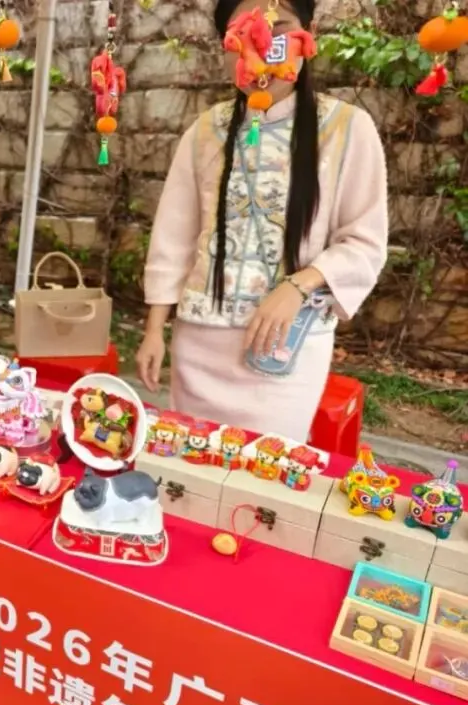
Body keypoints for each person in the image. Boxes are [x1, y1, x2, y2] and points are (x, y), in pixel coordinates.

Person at [135, 0, 388, 438]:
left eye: (279, 28)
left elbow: (364, 242)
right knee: (192, 460)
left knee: (270, 464)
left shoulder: (348, 128)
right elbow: (173, 238)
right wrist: (154, 329)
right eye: (243, 32)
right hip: (199, 343)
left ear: (308, 35)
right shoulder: (204, 131)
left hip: (285, 344)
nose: (262, 42)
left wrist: (297, 286)